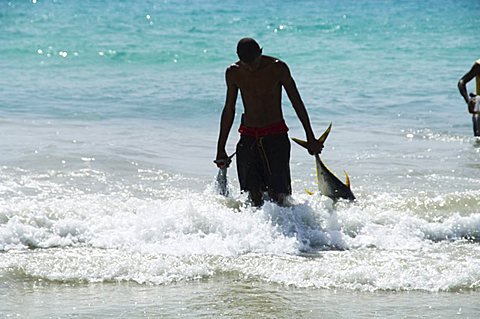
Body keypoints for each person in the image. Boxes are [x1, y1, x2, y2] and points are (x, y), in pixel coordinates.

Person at [215, 37, 324, 207]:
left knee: (280, 197)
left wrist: (310, 137)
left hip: (276, 137)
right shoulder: (233, 72)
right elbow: (229, 109)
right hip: (248, 137)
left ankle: (290, 231)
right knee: (252, 198)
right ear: (239, 58)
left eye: (254, 61)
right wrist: (220, 148)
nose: (251, 67)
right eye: (246, 63)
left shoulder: (278, 68)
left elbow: (297, 102)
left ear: (261, 52)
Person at [458, 59, 480, 136]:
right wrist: (468, 101)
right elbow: (462, 82)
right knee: (478, 139)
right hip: (478, 108)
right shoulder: (478, 65)